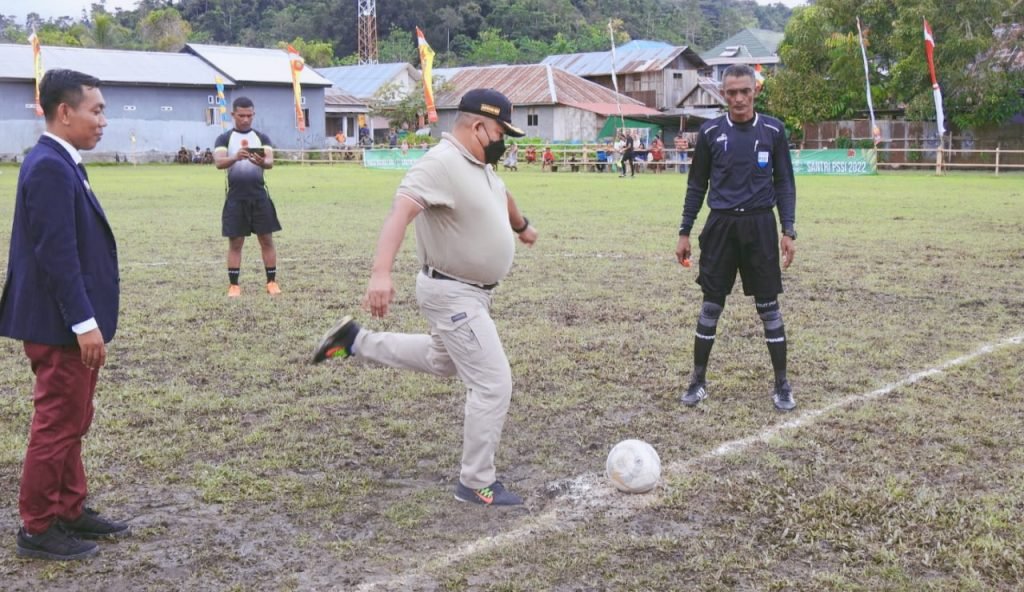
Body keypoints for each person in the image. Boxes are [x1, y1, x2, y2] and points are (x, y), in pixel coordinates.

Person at [310, 88, 538, 506]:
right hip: (453, 294)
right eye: (501, 132)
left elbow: (502, 196)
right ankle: (476, 482)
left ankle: (353, 341)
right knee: (493, 383)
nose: (503, 141)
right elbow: (401, 211)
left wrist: (521, 226)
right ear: (479, 126)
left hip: (470, 294)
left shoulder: (479, 165)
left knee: (441, 360)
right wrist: (380, 274)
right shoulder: (441, 163)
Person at [0, 69, 130, 561]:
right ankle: (37, 526)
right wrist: (83, 323)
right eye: (96, 110)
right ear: (64, 112)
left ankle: (69, 508)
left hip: (66, 324)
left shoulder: (62, 161)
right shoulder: (49, 167)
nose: (103, 121)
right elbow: (57, 255)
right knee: (56, 424)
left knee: (74, 418)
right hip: (60, 327)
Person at [675, 63, 798, 412]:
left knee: (769, 307)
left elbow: (784, 183)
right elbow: (696, 185)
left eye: (745, 91)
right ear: (723, 94)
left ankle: (782, 384)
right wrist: (684, 231)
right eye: (732, 93)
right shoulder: (711, 133)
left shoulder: (773, 130)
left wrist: (788, 229)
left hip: (760, 227)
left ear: (756, 90)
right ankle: (698, 381)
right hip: (721, 227)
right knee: (711, 306)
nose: (739, 98)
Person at [212, 96, 282, 297]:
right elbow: (219, 162)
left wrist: (261, 161)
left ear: (253, 115)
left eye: (249, 115)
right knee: (235, 243)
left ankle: (271, 282)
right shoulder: (224, 139)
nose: (245, 119)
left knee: (267, 241)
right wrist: (235, 157)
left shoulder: (261, 137)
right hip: (235, 198)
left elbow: (270, 162)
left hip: (260, 198)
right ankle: (234, 285)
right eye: (241, 115)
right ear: (233, 115)